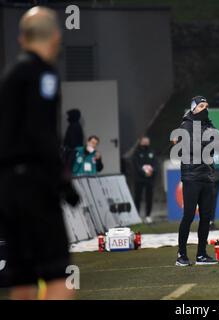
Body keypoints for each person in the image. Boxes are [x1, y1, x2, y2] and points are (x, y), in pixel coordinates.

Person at [0, 6, 79, 300]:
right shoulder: (42, 74)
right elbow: (41, 131)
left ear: (22, 38)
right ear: (56, 37)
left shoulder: (11, 75)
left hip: (8, 187)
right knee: (59, 275)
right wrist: (63, 181)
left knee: (22, 279)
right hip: (34, 185)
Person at [173, 96, 219, 267]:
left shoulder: (208, 125)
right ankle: (182, 255)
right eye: (201, 106)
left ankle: (201, 254)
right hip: (192, 177)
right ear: (193, 108)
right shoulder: (186, 125)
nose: (205, 109)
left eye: (206, 106)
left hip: (207, 176)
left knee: (206, 217)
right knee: (188, 216)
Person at [132, 136, 157, 224]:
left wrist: (152, 171)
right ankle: (137, 215)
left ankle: (148, 216)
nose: (146, 143)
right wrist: (144, 173)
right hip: (139, 179)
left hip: (150, 179)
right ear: (140, 142)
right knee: (138, 197)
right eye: (144, 141)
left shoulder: (152, 152)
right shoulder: (136, 153)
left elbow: (155, 164)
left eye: (147, 141)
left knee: (149, 197)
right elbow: (136, 165)